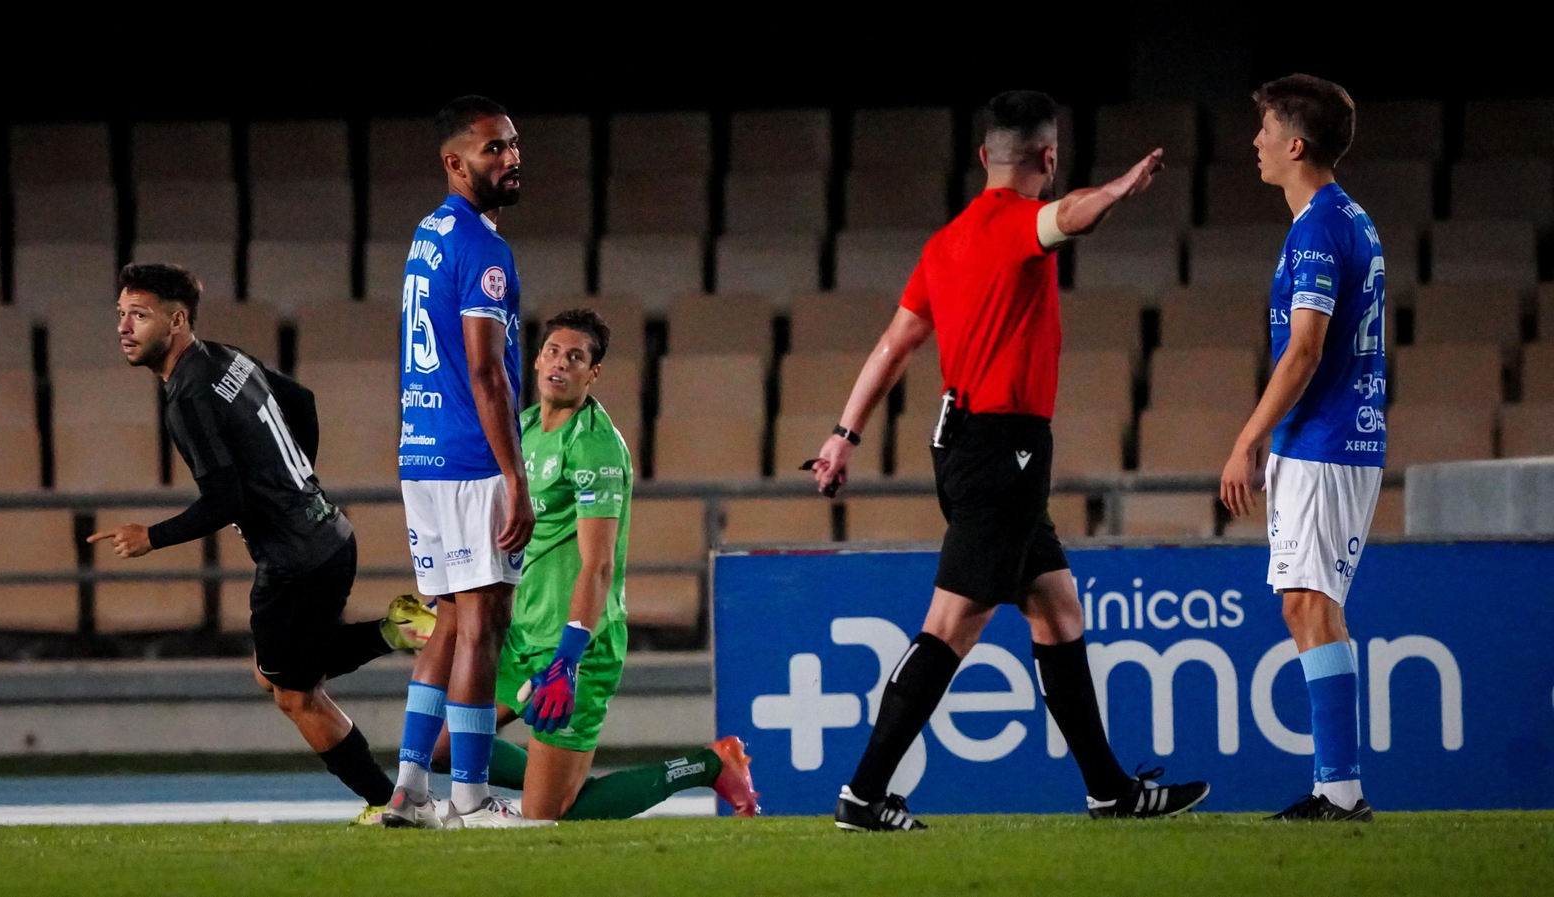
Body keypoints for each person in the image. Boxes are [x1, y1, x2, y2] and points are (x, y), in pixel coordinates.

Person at [808, 90, 1209, 831]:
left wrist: (844, 433)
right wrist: (1118, 189)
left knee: (1057, 609)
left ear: (982, 157)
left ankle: (1110, 791)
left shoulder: (946, 241)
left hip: (966, 443)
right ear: (1048, 158)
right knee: (953, 621)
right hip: (1003, 448)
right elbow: (1073, 215)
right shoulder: (1022, 225)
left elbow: (894, 345)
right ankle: (862, 794)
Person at [89, 263, 433, 825]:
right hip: (329, 534)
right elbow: (302, 400)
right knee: (278, 674)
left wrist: (150, 537)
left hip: (293, 563)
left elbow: (224, 501)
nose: (125, 327)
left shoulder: (187, 397)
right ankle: (405, 629)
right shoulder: (225, 356)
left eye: (140, 315)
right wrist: (292, 482)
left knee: (293, 694)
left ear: (176, 321)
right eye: (121, 315)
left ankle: (393, 803)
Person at [386, 309, 757, 827]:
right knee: (446, 747)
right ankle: (549, 767)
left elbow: (598, 566)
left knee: (546, 815)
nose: (561, 364)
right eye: (554, 352)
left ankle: (707, 764)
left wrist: (567, 659)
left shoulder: (594, 446)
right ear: (537, 360)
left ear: (593, 373)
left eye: (576, 357)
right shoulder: (524, 428)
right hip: (518, 636)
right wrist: (445, 607)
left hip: (577, 643)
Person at [1219, 74, 1382, 822]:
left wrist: (1247, 438)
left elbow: (1306, 350)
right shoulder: (1344, 219)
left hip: (1323, 439)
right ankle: (1337, 787)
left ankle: (1340, 792)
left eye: (1266, 128)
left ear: (1295, 144)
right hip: (1327, 439)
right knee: (1303, 603)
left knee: (1311, 601)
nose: (1255, 141)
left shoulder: (1320, 225)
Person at [382, 95, 538, 830]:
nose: (509, 159)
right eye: (492, 149)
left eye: (511, 145)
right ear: (454, 162)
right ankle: (470, 797)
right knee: (482, 621)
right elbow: (486, 371)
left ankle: (410, 790)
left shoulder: (427, 234)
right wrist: (514, 474)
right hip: (472, 457)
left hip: (422, 451)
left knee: (448, 621)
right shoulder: (482, 247)